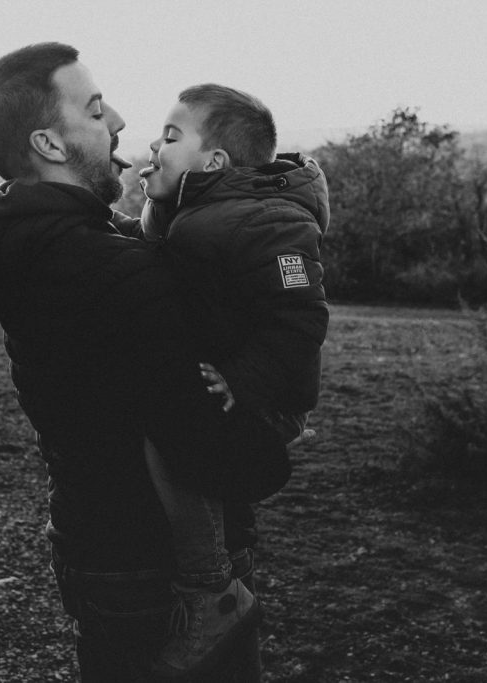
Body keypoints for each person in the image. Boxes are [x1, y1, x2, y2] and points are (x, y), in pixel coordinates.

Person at [0, 42, 272, 681]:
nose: (117, 120)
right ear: (50, 146)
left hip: (93, 541)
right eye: (93, 110)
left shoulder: (24, 246)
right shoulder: (111, 269)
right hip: (158, 568)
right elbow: (196, 433)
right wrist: (269, 445)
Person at [134, 85, 330, 677]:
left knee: (169, 440)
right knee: (172, 429)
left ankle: (211, 590)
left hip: (267, 395)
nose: (154, 144)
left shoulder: (265, 220)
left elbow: (301, 317)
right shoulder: (195, 213)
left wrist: (242, 380)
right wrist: (149, 209)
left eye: (171, 137)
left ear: (214, 163)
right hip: (228, 383)